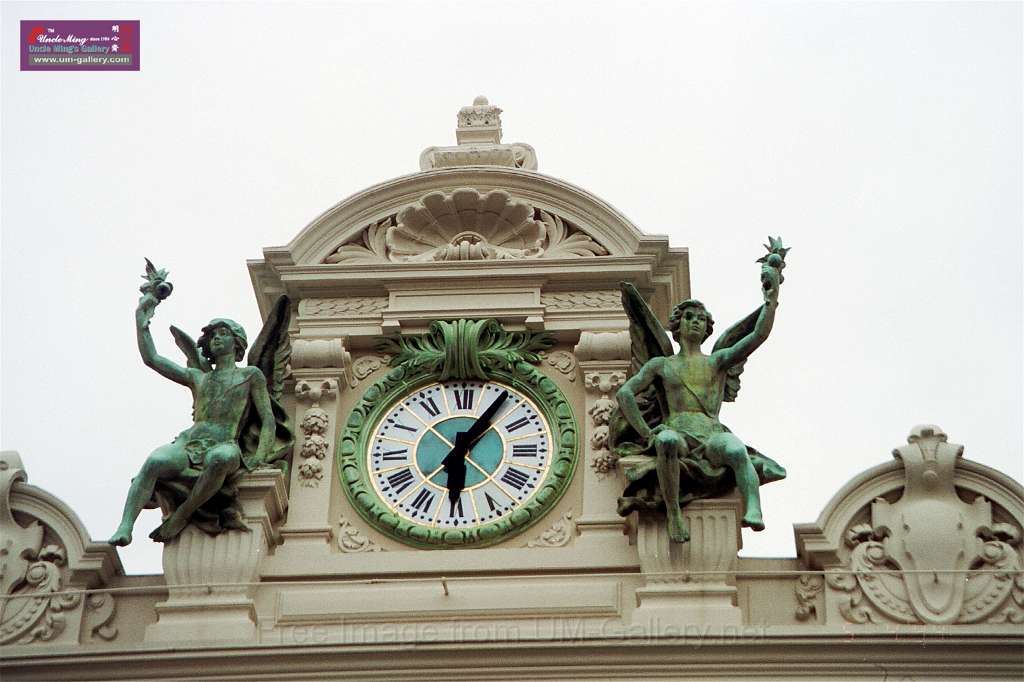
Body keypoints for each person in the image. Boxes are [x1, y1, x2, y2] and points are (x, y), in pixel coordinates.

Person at [614, 265, 787, 543]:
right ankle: (673, 513)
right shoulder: (661, 364)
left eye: (701, 319)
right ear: (677, 326)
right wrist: (647, 433)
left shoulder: (717, 361)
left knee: (735, 449)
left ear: (707, 328)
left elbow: (758, 335)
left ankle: (753, 507)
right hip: (678, 431)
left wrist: (771, 298)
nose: (695, 322)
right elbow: (625, 394)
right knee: (666, 442)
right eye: (689, 317)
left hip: (711, 434)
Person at [108, 293, 280, 545]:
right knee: (155, 461)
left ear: (237, 343)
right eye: (213, 335)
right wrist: (141, 321)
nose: (216, 338)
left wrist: (259, 457)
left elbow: (268, 420)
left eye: (223, 333)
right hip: (189, 444)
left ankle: (182, 514)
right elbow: (152, 359)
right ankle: (126, 525)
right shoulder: (199, 377)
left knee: (221, 459)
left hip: (226, 444)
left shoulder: (251, 375)